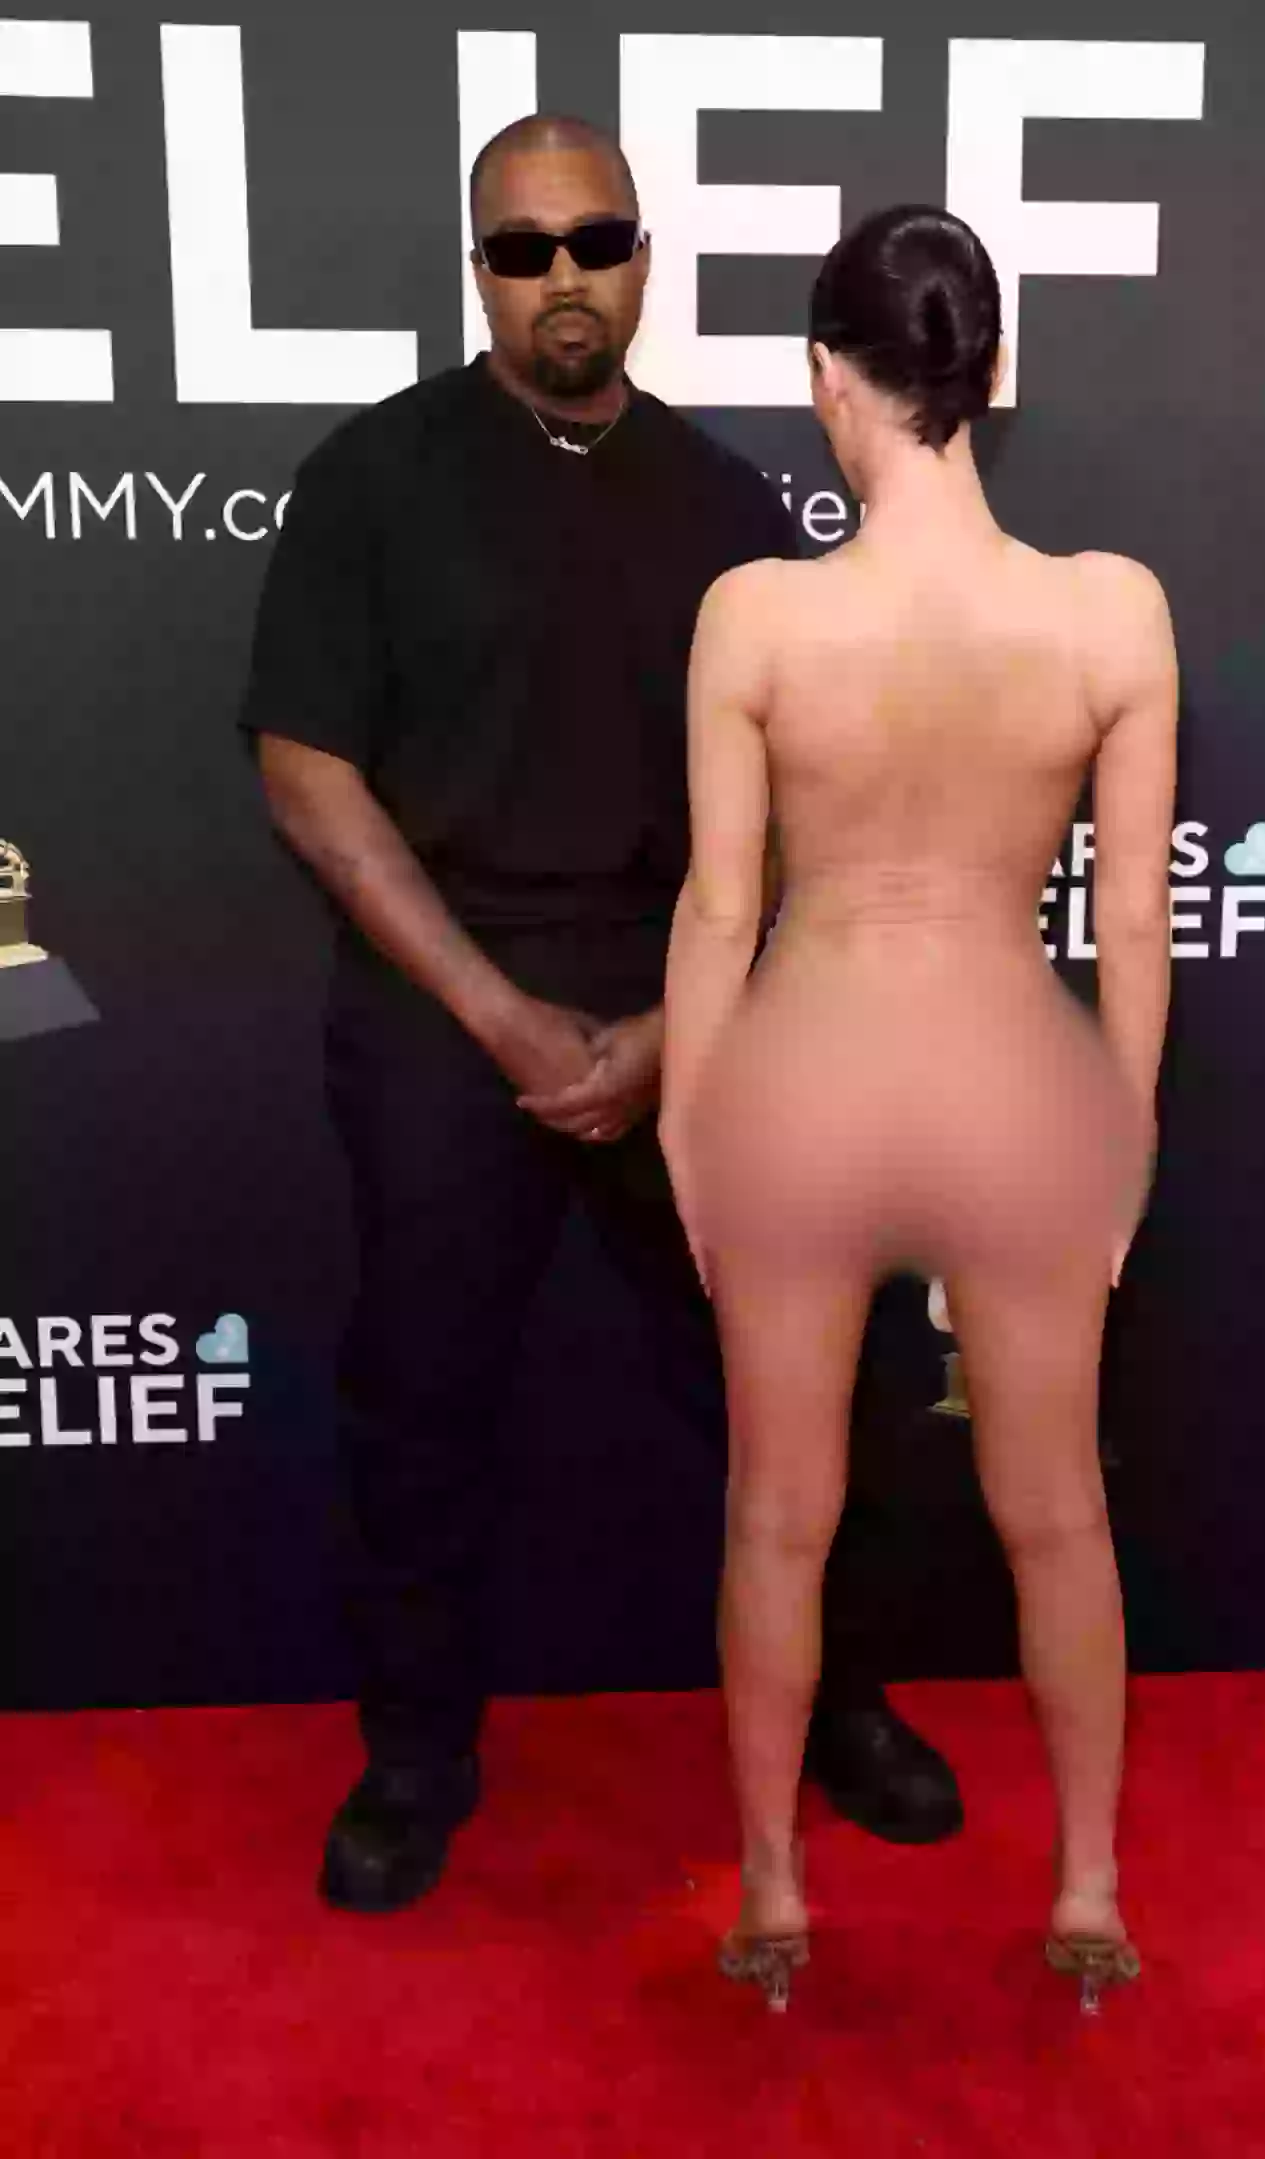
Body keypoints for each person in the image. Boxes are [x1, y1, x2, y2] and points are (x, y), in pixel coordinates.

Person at [240, 118, 961, 1916]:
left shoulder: (729, 508)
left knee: (793, 1393)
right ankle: (414, 1756)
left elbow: (804, 798)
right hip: (442, 998)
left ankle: (842, 1705)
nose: (564, 276)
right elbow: (308, 768)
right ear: (476, 267)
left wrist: (661, 1031)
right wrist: (498, 1016)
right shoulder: (371, 484)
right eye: (523, 248)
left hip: (692, 996)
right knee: (419, 1401)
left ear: (649, 256)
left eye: (598, 238)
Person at [660, 205, 1177, 2011]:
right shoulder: (1111, 612)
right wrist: (1124, 1137)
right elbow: (1126, 925)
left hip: (804, 1073)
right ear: (994, 370)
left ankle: (777, 1905)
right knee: (1059, 1516)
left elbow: (722, 908)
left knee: (775, 1517)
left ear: (824, 378)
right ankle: (1091, 1891)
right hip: (1007, 1077)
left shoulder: (758, 617)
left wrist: (683, 1125)